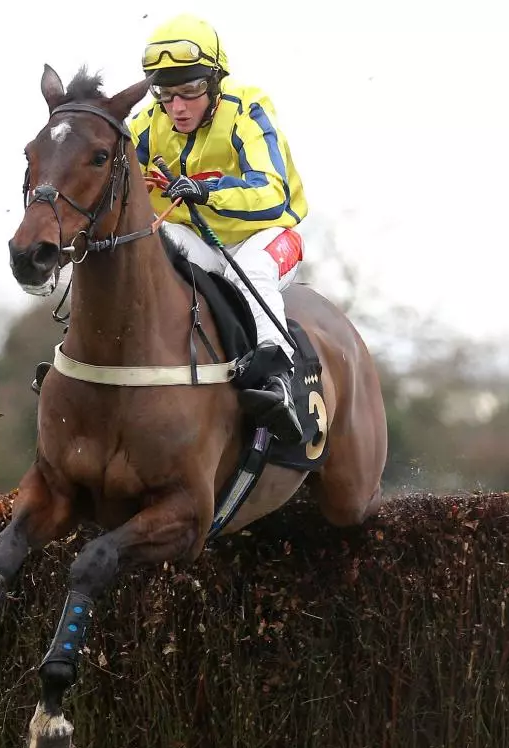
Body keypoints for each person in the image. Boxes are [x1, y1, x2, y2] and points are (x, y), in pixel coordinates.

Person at [130, 13, 309, 446]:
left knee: (249, 268)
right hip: (200, 241)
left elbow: (273, 193)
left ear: (214, 82)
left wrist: (208, 191)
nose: (177, 107)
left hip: (266, 236)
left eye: (190, 90)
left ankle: (279, 379)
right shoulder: (145, 126)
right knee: (144, 250)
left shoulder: (247, 108)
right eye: (166, 93)